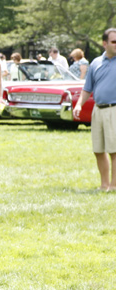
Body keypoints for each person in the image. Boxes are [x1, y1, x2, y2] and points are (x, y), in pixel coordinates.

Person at [73, 28, 116, 191]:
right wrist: (79, 104)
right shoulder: (96, 63)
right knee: (98, 149)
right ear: (105, 44)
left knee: (114, 150)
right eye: (113, 42)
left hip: (114, 109)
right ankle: (104, 185)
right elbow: (87, 88)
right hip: (98, 110)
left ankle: (114, 185)